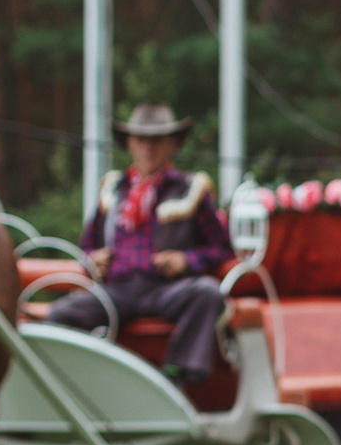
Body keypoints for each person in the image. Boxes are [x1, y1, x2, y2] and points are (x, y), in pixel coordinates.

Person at [47, 103, 233, 385]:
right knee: (60, 314)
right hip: (117, 290)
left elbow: (221, 249)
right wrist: (93, 258)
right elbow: (86, 245)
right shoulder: (113, 189)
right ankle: (76, 382)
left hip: (165, 289)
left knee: (207, 293)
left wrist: (185, 261)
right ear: (130, 144)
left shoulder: (190, 189)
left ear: (172, 144)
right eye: (141, 139)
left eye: (157, 140)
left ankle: (176, 376)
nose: (149, 147)